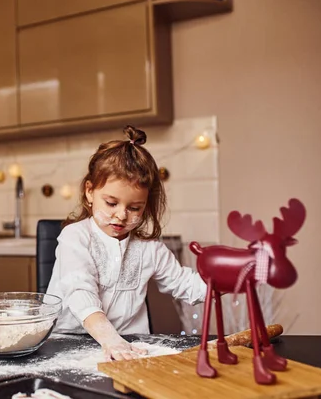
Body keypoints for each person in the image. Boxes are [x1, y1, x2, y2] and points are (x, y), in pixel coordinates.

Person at [46, 126, 206, 361]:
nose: (121, 215)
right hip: (68, 346)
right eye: (111, 203)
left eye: (134, 208)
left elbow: (187, 285)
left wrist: (232, 276)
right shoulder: (75, 237)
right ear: (90, 191)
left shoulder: (150, 249)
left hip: (132, 348)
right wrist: (110, 340)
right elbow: (81, 293)